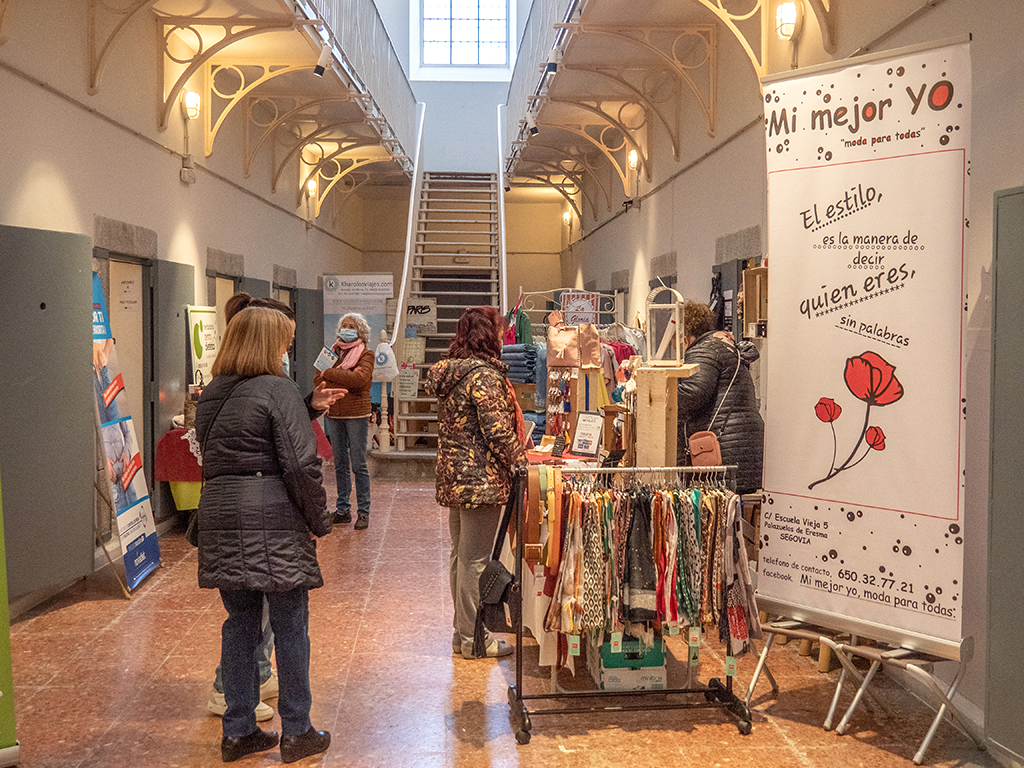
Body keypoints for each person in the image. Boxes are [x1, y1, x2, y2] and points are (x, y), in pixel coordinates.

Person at [195, 306, 332, 763]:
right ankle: (297, 730)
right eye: (284, 342)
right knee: (291, 625)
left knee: (239, 625)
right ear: (268, 344)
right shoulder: (278, 388)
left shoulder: (212, 394)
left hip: (220, 514)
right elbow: (299, 464)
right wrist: (319, 519)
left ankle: (238, 731)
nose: (288, 350)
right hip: (271, 518)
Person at [425, 306, 527, 659]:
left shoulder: (453, 374)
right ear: (488, 336)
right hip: (479, 480)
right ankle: (474, 638)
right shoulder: (484, 377)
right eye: (499, 331)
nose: (502, 337)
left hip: (455, 479)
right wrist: (521, 461)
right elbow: (498, 432)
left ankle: (461, 632)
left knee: (461, 556)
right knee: (475, 561)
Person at [676, 300, 764, 494]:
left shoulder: (702, 351)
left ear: (684, 336)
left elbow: (693, 393)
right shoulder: (723, 347)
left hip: (720, 450)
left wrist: (658, 393)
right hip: (742, 447)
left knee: (717, 516)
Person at [314, 313, 375, 530]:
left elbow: (358, 381)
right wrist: (338, 375)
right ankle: (342, 511)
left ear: (360, 332)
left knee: (358, 464)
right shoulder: (331, 352)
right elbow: (317, 380)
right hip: (334, 414)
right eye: (344, 325)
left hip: (357, 415)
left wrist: (330, 373)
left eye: (352, 326)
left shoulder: (366, 355)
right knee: (339, 465)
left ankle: (364, 512)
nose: (347, 329)